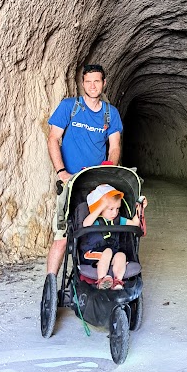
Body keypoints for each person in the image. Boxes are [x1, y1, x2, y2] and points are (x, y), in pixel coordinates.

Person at [45, 63, 123, 279]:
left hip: (96, 184)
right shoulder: (69, 107)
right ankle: (50, 284)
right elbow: (53, 138)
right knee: (62, 237)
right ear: (82, 84)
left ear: (104, 83)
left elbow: (114, 146)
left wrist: (108, 170)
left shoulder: (110, 113)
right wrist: (61, 172)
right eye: (88, 81)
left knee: (98, 230)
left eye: (97, 81)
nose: (92, 85)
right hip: (70, 181)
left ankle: (98, 275)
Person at [80, 184, 141, 290]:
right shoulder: (95, 220)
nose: (115, 212)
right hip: (91, 253)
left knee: (121, 255)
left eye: (117, 208)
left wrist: (139, 209)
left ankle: (117, 281)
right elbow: (86, 224)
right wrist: (100, 207)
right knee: (108, 251)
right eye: (111, 209)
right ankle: (102, 280)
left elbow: (134, 224)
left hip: (111, 253)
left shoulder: (118, 220)